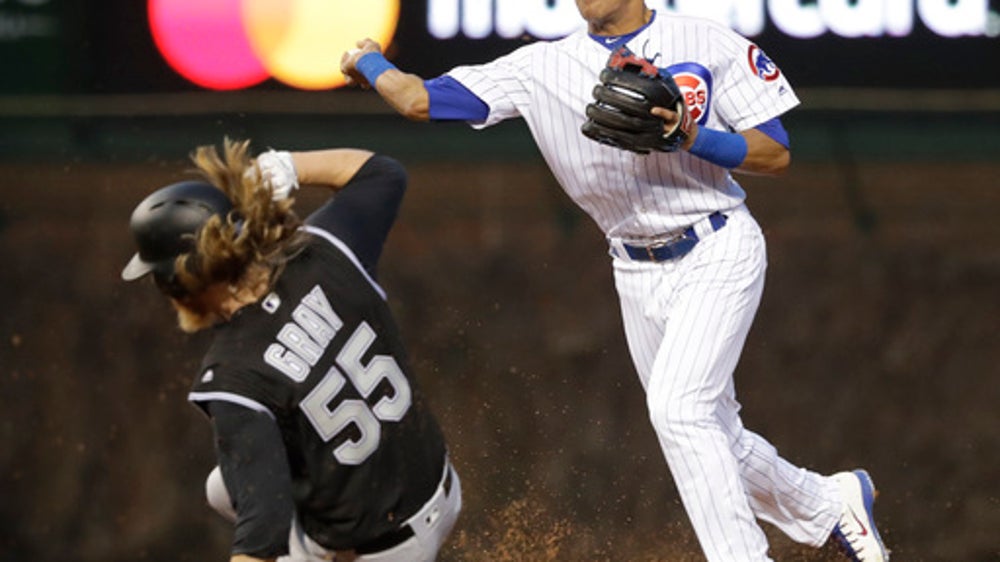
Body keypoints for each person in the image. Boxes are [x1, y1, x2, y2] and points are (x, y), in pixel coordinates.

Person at [340, 2, 889, 561]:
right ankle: (827, 502)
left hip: (717, 245)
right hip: (633, 270)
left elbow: (775, 153)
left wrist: (690, 136)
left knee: (681, 413)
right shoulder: (540, 69)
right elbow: (418, 99)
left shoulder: (707, 41)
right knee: (708, 434)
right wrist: (372, 62)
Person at [121, 138, 461, 562]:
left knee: (253, 498)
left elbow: (262, 534)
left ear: (179, 281)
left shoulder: (233, 374)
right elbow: (383, 173)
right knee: (222, 487)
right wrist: (289, 165)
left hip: (380, 551)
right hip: (437, 488)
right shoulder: (323, 248)